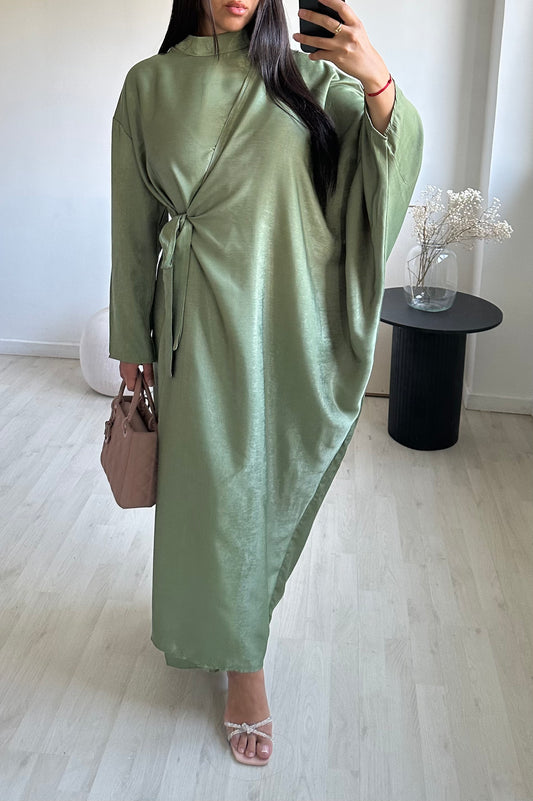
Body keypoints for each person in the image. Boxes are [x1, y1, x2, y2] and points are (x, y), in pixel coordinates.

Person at [108, 0, 423, 766]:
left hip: (285, 319)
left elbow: (377, 168)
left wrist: (376, 79)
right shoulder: (149, 84)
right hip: (195, 326)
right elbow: (133, 224)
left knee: (256, 490)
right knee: (213, 494)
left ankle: (233, 628)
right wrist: (131, 340)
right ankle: (240, 661)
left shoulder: (308, 79)